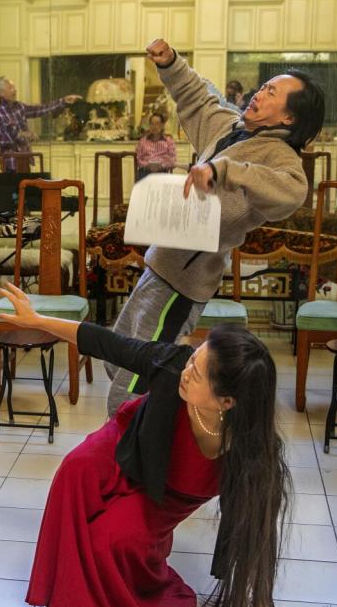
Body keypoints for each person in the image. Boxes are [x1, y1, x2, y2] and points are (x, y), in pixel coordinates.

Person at [0, 282, 302, 607]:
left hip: (165, 493)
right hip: (127, 441)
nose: (186, 371)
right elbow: (108, 343)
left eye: (198, 371)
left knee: (114, 537)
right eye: (192, 360)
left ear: (227, 401)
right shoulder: (175, 363)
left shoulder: (253, 451)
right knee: (74, 472)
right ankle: (60, 595)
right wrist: (38, 320)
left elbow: (257, 531)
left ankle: (94, 602)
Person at [105, 39, 324, 416]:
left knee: (129, 389)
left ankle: (133, 461)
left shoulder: (280, 158)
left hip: (183, 285)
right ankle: (168, 431)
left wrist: (223, 171)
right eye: (264, 86)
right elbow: (197, 95)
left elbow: (292, 192)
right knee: (119, 357)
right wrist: (171, 63)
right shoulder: (229, 128)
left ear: (289, 118)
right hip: (158, 266)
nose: (259, 93)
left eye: (271, 92)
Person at [0, 76, 81, 170]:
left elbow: (40, 110)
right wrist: (20, 134)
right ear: (1, 93)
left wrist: (63, 101)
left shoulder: (19, 107)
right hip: (10, 165)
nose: (15, 90)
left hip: (26, 161)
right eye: (11, 88)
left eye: (14, 87)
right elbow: (2, 141)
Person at [135, 112, 177, 180]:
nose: (154, 126)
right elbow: (137, 158)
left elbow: (173, 160)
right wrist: (147, 165)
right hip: (145, 171)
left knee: (162, 179)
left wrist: (162, 166)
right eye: (152, 124)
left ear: (162, 125)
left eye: (157, 124)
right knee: (142, 177)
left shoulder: (169, 141)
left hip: (162, 171)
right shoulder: (143, 141)